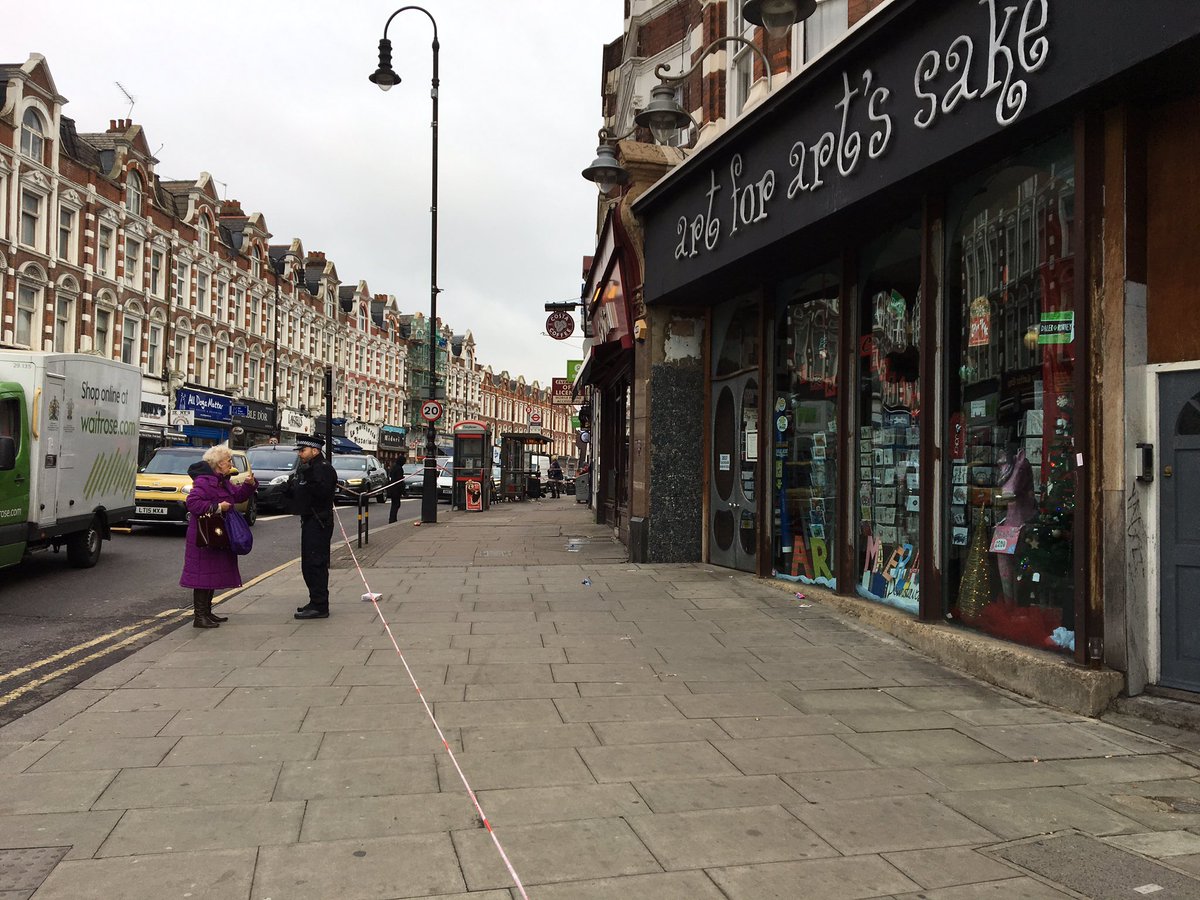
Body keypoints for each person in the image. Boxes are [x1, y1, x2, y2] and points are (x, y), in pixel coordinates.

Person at [180, 444, 256, 628]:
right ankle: (199, 617)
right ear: (218, 464)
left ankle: (207, 613)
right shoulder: (205, 481)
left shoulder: (222, 480)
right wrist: (217, 507)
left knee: (211, 575)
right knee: (202, 576)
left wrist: (248, 485)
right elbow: (193, 503)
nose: (231, 463)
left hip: (218, 535)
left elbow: (237, 498)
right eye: (228, 461)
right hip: (205, 536)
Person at [290, 434, 337, 620]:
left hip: (319, 521)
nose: (300, 454)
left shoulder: (323, 469)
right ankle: (314, 600)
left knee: (316, 563)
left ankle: (320, 605)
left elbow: (322, 493)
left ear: (315, 451)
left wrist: (307, 476)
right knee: (308, 564)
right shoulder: (310, 467)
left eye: (303, 450)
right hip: (310, 520)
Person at [387, 457, 407, 523]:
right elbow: (399, 481)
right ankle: (392, 519)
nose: (404, 463)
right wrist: (404, 492)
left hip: (392, 488)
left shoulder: (394, 467)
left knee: (394, 504)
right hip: (396, 489)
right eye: (404, 462)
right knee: (396, 504)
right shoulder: (399, 469)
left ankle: (392, 518)